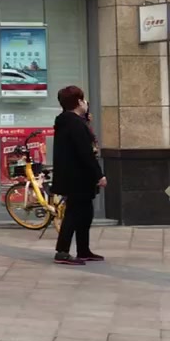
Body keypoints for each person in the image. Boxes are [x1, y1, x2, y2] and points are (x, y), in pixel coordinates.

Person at [52, 85, 106, 265]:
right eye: (83, 100)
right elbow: (85, 152)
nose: (85, 103)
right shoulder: (74, 124)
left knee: (85, 213)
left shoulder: (69, 121)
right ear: (78, 102)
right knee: (74, 214)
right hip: (77, 177)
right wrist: (99, 175)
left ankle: (83, 249)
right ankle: (62, 251)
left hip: (76, 176)